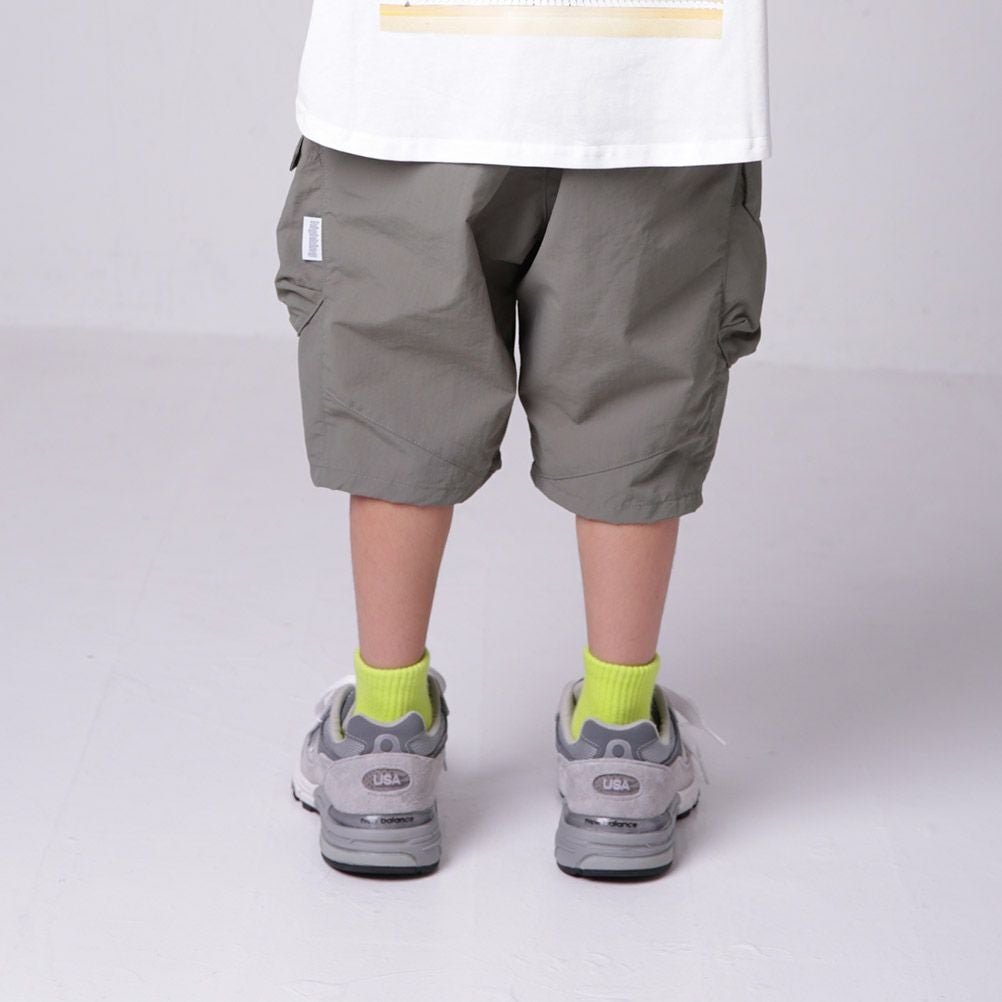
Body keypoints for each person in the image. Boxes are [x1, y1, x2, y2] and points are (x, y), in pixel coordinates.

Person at [277, 0, 769, 880]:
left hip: (410, 73)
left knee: (400, 396)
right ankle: (620, 742)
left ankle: (382, 739)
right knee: (632, 402)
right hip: (651, 76)